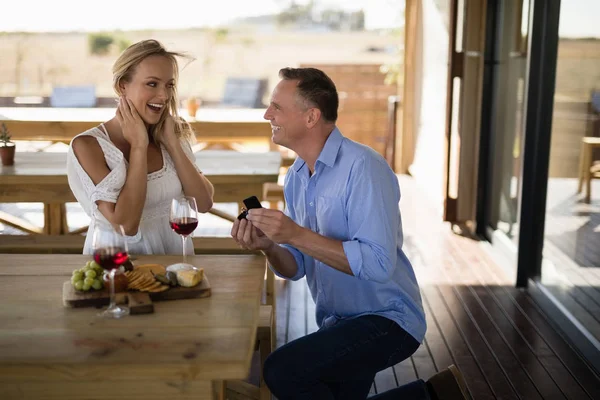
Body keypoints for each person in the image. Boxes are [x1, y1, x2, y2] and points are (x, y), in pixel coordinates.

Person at [231, 67, 470, 400]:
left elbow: (377, 265)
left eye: (277, 107)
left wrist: (295, 233)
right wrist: (270, 246)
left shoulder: (363, 168)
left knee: (282, 370)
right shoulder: (298, 176)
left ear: (311, 117)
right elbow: (297, 267)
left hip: (388, 321)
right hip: (338, 323)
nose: (267, 114)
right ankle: (435, 396)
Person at [67, 39, 214, 255]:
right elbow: (125, 226)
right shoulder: (88, 146)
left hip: (174, 265)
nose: (164, 96)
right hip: (117, 270)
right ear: (122, 86)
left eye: (169, 85)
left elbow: (203, 203)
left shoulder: (170, 133)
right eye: (152, 84)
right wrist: (138, 146)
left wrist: (173, 145)